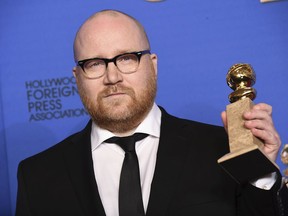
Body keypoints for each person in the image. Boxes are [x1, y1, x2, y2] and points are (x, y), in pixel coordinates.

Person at [16, 9, 288, 216]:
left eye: (126, 58)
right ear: (77, 77)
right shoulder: (37, 175)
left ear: (152, 65)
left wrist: (258, 172)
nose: (113, 76)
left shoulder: (222, 149)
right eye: (95, 63)